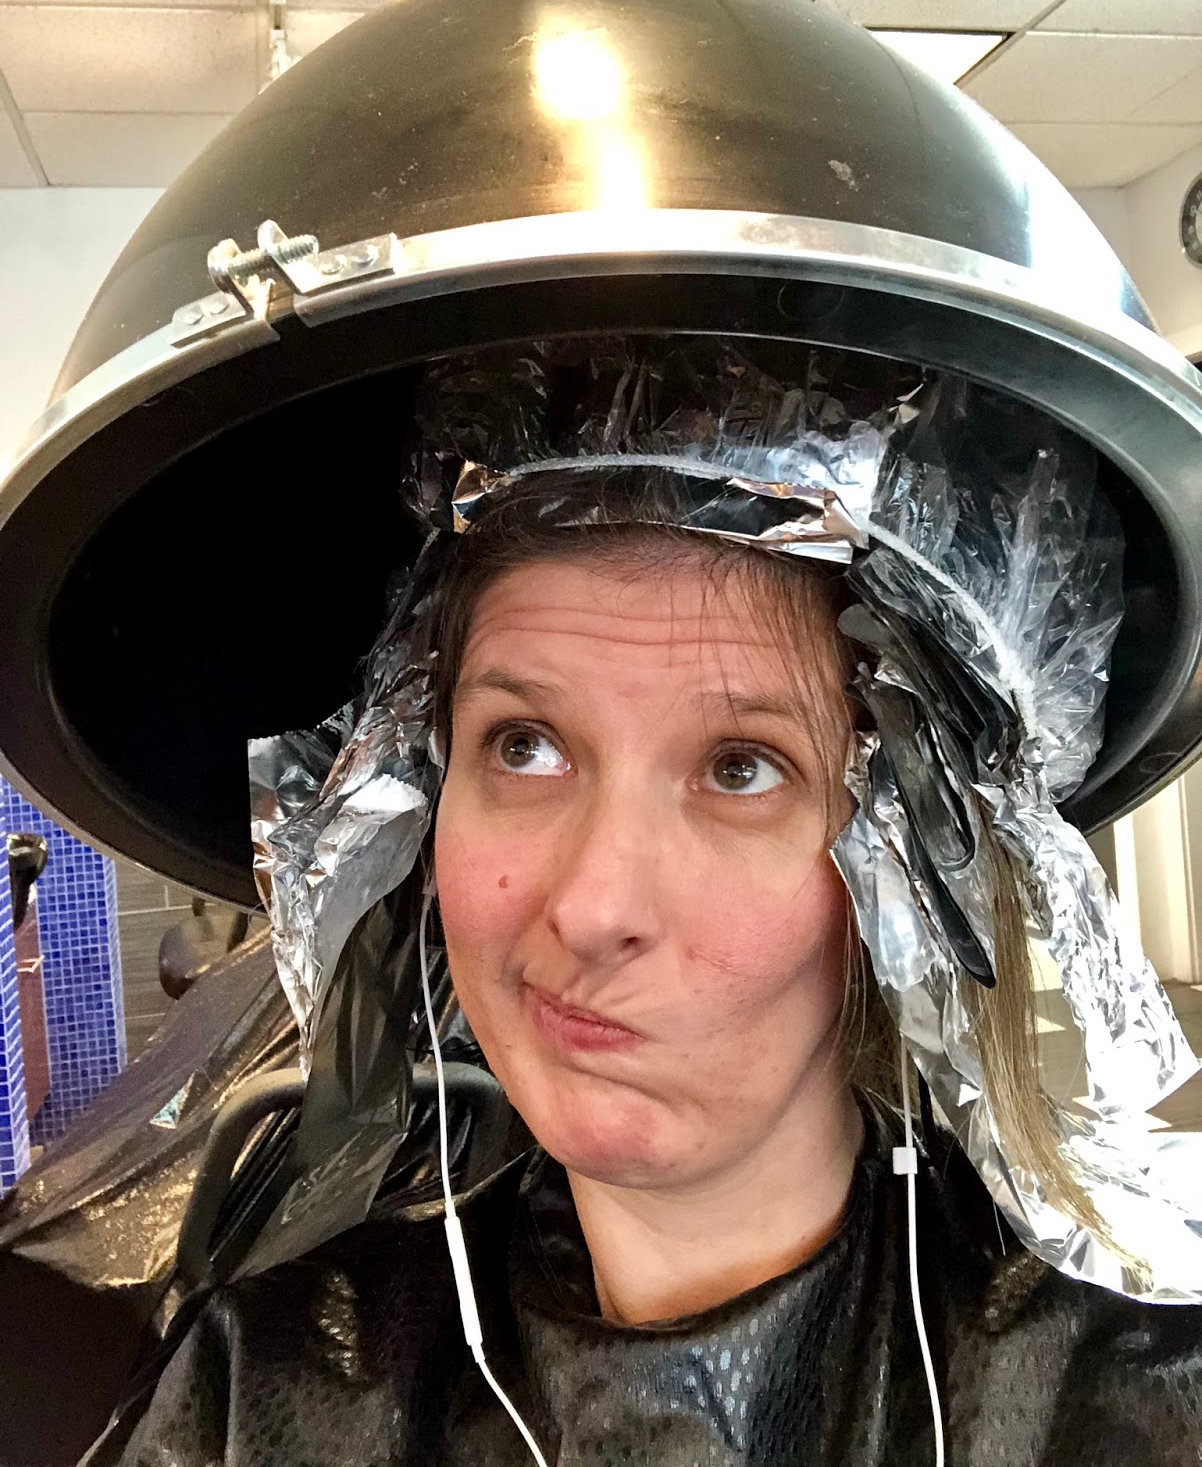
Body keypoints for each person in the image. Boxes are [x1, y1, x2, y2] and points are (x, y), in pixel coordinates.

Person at [83, 337, 1202, 1467]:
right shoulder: (259, 1390)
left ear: (909, 861)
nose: (591, 905)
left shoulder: (1141, 1401)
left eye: (739, 768)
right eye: (523, 745)